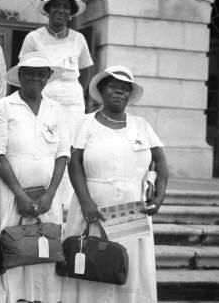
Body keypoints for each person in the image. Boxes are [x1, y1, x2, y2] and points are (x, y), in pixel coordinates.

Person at [62, 65, 168, 303]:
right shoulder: (86, 123)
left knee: (125, 263)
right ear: (101, 90)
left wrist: (159, 195)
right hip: (93, 205)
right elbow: (75, 163)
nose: (119, 92)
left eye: (124, 89)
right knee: (90, 262)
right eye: (114, 87)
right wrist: (86, 203)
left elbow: (160, 160)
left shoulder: (141, 125)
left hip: (130, 208)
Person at [0, 52, 70, 303]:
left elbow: (63, 155)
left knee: (43, 250)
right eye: (29, 73)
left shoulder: (56, 109)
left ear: (48, 77)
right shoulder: (4, 106)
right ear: (20, 76)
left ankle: (40, 299)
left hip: (46, 198)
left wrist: (51, 195)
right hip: (10, 194)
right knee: (10, 248)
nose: (35, 78)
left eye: (41, 74)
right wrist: (19, 195)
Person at [19, 0, 93, 210]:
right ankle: (43, 196)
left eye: (65, 7)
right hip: (45, 95)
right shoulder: (33, 37)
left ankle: (68, 203)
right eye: (56, 6)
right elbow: (24, 69)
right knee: (46, 146)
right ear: (48, 10)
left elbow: (86, 70)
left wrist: (79, 93)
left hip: (72, 98)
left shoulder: (78, 39)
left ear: (70, 12)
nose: (61, 10)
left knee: (69, 148)